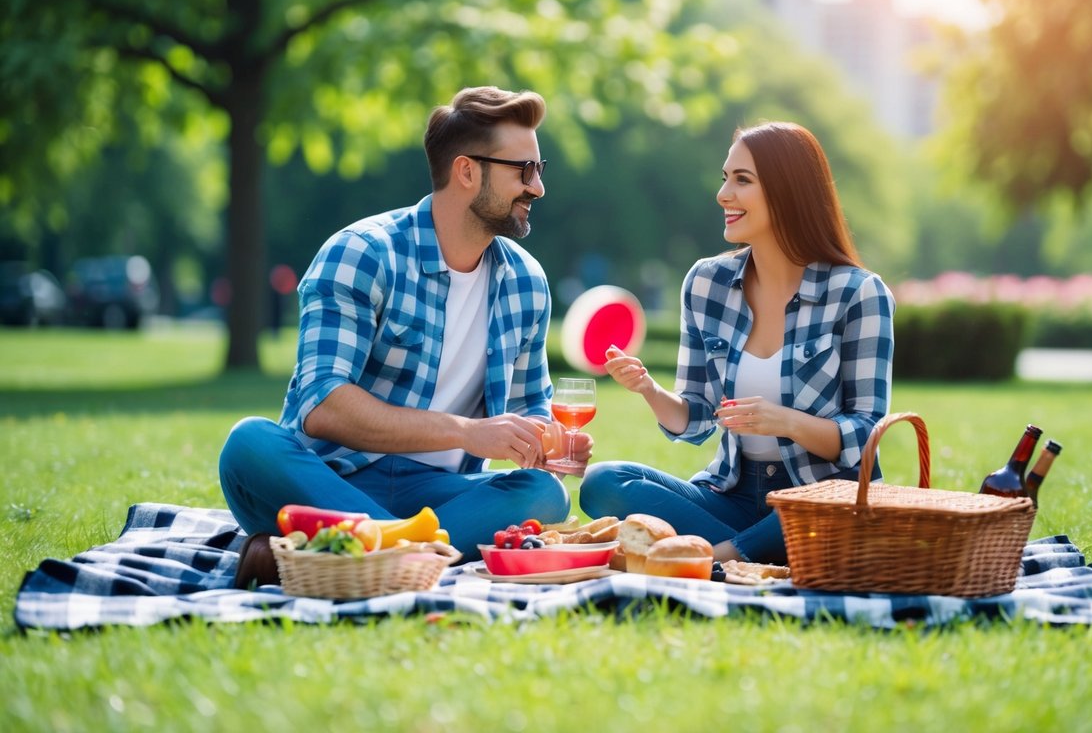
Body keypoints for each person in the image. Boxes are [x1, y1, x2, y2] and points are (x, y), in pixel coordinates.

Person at [219, 86, 592, 586]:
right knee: (249, 445)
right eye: (523, 171)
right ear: (466, 171)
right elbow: (321, 404)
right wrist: (465, 431)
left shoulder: (526, 282)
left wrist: (547, 441)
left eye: (539, 169)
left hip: (437, 492)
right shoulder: (362, 254)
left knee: (543, 495)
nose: (538, 187)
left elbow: (530, 409)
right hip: (330, 478)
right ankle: (404, 551)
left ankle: (340, 549)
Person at [581, 121, 894, 566]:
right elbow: (696, 417)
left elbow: (866, 439)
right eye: (725, 178)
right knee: (604, 481)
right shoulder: (706, 283)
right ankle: (758, 552)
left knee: (840, 504)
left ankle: (716, 557)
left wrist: (784, 421)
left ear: (788, 191)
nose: (723, 194)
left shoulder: (858, 293)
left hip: (819, 496)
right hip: (732, 492)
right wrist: (649, 391)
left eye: (742, 180)